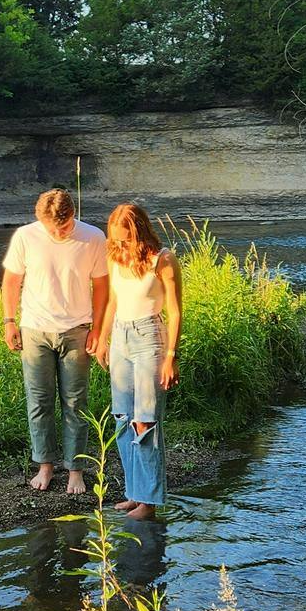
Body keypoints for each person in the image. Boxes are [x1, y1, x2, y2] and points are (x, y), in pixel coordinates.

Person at [1, 186, 110, 496]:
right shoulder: (26, 236)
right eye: (51, 228)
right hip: (34, 329)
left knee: (76, 403)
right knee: (39, 402)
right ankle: (45, 466)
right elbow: (11, 281)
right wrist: (9, 321)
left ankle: (75, 470)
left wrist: (99, 329)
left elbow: (102, 287)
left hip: (77, 330)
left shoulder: (93, 237)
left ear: (72, 216)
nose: (57, 233)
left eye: (62, 227)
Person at [90, 202, 182, 520]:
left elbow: (175, 311)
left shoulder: (163, 259)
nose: (120, 243)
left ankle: (149, 502)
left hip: (150, 339)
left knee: (145, 421)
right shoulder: (115, 256)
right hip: (120, 338)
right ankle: (134, 492)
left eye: (125, 238)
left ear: (139, 231)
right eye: (115, 238)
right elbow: (114, 300)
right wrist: (102, 339)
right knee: (122, 418)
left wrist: (171, 356)